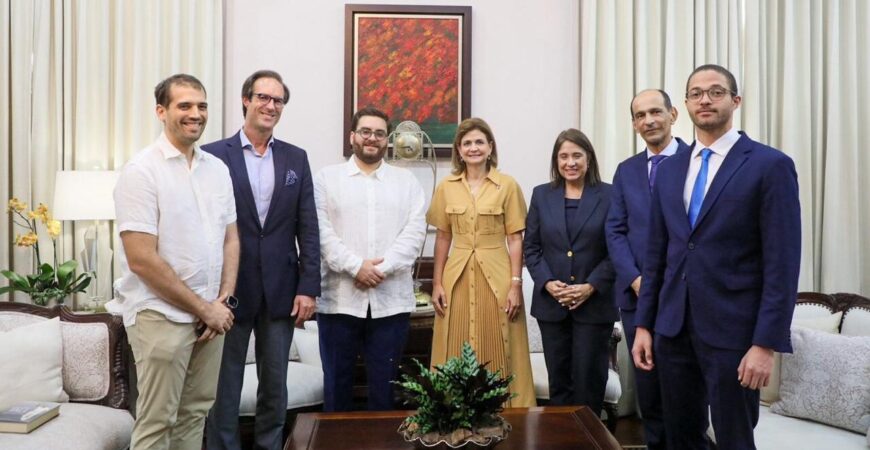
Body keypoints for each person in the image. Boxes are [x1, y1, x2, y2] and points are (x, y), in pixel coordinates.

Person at [632, 64, 801, 450]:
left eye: (715, 92)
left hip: (734, 335)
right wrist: (645, 325)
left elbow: (783, 264)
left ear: (735, 101)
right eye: (695, 93)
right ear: (685, 106)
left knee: (734, 439)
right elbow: (657, 256)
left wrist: (765, 344)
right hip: (672, 331)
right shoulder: (671, 168)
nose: (704, 99)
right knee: (681, 437)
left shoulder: (769, 165)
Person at [112, 73, 238, 450]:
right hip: (160, 316)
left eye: (201, 106)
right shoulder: (141, 172)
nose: (195, 114)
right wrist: (204, 307)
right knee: (157, 422)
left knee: (194, 417)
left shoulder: (217, 168)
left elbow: (231, 238)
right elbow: (142, 261)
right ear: (161, 111)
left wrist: (223, 301)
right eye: (184, 106)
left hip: (210, 317)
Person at [204, 70, 320, 450]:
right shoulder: (212, 156)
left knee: (275, 384)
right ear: (246, 100)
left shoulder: (295, 159)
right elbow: (205, 227)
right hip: (229, 291)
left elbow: (309, 227)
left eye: (278, 100)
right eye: (263, 97)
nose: (270, 106)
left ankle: (270, 446)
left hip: (280, 291)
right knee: (225, 386)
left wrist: (308, 287)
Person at [313, 107, 427, 412]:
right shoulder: (327, 179)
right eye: (365, 131)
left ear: (386, 140)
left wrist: (379, 269)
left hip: (391, 304)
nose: (372, 138)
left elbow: (415, 234)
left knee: (385, 392)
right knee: (336, 389)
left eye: (379, 133)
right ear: (352, 136)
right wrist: (355, 267)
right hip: (339, 301)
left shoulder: (407, 182)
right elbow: (321, 233)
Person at [427, 117, 535, 407]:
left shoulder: (508, 185)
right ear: (459, 151)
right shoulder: (446, 187)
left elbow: (515, 238)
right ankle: (452, 413)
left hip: (498, 273)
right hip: (456, 274)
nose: (473, 148)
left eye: (479, 142)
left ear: (490, 148)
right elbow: (442, 238)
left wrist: (515, 284)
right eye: (467, 143)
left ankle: (506, 412)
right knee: (454, 339)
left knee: (502, 340)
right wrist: (437, 282)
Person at [605, 89, 689, 449]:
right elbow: (615, 230)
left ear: (673, 114)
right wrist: (637, 279)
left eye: (656, 112)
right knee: (649, 387)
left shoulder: (696, 161)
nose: (649, 121)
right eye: (640, 115)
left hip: (686, 295)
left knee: (685, 388)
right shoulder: (626, 171)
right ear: (634, 124)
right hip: (637, 295)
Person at [523, 129, 616, 414]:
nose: (570, 162)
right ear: (556, 161)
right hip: (552, 307)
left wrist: (590, 286)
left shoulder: (610, 195)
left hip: (595, 305)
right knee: (559, 385)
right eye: (563, 156)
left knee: (590, 383)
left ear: (589, 158)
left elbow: (618, 250)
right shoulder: (541, 195)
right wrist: (549, 283)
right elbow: (532, 248)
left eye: (577, 155)